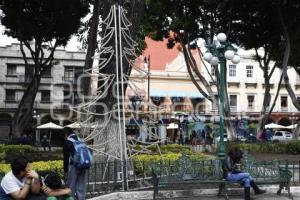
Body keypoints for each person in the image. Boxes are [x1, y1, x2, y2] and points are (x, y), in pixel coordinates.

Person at [63, 127, 87, 200]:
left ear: (66, 134)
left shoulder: (67, 142)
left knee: (71, 185)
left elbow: (66, 158)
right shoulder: (81, 140)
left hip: (73, 166)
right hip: (83, 164)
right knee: (81, 185)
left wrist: (65, 171)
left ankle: (71, 198)